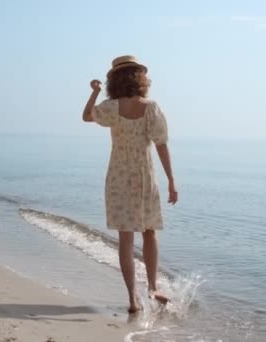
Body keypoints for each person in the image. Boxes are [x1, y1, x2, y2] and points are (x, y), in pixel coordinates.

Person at [82, 55, 178, 313]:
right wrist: (171, 180)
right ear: (140, 78)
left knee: (126, 238)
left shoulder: (111, 107)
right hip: (145, 176)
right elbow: (161, 145)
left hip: (118, 178)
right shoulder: (152, 107)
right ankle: (152, 287)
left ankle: (132, 299)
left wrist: (94, 93)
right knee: (149, 232)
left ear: (114, 80)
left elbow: (86, 117)